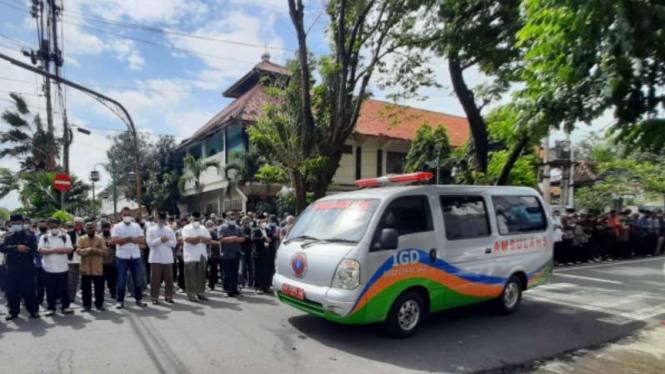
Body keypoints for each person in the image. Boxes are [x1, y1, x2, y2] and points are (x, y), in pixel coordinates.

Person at [1, 214, 40, 320]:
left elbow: (34, 247)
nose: (16, 225)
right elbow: (3, 248)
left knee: (29, 292)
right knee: (11, 292)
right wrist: (16, 247)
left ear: (23, 223)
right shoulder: (7, 236)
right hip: (12, 269)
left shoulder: (30, 235)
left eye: (18, 223)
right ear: (10, 224)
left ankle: (33, 311)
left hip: (27, 268)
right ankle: (13, 312)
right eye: (14, 224)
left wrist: (25, 247)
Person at [112, 207, 147, 309]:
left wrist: (127, 240)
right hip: (122, 256)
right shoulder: (117, 227)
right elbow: (114, 241)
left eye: (128, 215)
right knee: (121, 280)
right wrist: (129, 239)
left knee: (138, 279)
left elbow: (142, 240)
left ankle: (139, 299)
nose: (127, 217)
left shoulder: (136, 226)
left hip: (135, 255)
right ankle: (120, 301)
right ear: (121, 215)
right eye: (125, 215)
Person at [39, 218, 74, 316]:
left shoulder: (65, 236)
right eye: (51, 225)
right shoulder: (44, 237)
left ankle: (66, 307)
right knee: (50, 289)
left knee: (64, 289)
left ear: (59, 225)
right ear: (48, 225)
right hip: (48, 268)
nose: (53, 228)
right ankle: (51, 308)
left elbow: (69, 249)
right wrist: (56, 250)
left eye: (55, 225)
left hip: (62, 267)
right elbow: (41, 250)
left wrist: (50, 250)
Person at [77, 222, 108, 312]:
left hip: (97, 267)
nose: (91, 230)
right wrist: (89, 249)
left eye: (92, 228)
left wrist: (97, 251)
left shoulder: (100, 238)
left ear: (95, 229)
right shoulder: (81, 239)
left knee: (99, 288)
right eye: (89, 228)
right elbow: (78, 251)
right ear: (86, 229)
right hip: (85, 267)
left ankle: (99, 304)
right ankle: (86, 305)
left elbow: (105, 252)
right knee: (86, 288)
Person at [147, 213, 177, 304]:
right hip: (156, 258)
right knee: (155, 280)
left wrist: (166, 240)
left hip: (167, 258)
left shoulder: (169, 230)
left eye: (163, 220)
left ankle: (168, 296)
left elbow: (174, 244)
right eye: (160, 219)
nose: (162, 221)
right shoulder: (151, 230)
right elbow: (150, 244)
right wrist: (160, 239)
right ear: (157, 219)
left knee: (169, 279)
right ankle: (154, 297)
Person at [182, 212, 211, 302]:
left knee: (201, 275)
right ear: (191, 219)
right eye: (195, 219)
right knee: (191, 276)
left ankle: (201, 293)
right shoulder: (186, 228)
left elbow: (209, 240)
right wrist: (200, 238)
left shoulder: (203, 228)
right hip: (190, 255)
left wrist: (198, 239)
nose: (196, 221)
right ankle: (191, 294)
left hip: (201, 254)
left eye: (198, 219)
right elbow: (188, 240)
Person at [219, 211, 245, 297]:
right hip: (226, 253)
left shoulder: (238, 228)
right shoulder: (222, 227)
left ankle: (234, 289)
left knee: (235, 273)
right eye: (231, 218)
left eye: (234, 218)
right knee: (227, 273)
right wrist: (234, 238)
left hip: (236, 252)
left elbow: (242, 238)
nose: (233, 220)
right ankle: (227, 290)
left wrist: (234, 240)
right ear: (227, 218)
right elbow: (222, 239)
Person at [252, 215, 274, 294]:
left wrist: (272, 238)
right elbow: (254, 239)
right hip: (259, 253)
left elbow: (272, 238)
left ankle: (266, 286)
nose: (264, 223)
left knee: (267, 270)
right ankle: (258, 287)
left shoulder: (268, 230)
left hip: (267, 252)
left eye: (265, 221)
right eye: (262, 221)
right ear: (259, 222)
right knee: (259, 271)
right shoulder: (255, 230)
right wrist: (264, 238)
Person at [67, 217, 85, 303]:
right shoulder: (69, 233)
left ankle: (86, 298)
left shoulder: (86, 233)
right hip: (73, 259)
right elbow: (67, 245)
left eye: (80, 224)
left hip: (84, 259)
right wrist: (76, 246)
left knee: (85, 280)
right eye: (77, 224)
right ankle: (71, 297)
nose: (78, 225)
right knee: (72, 280)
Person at [100, 221, 117, 299]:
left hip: (113, 260)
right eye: (105, 228)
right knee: (101, 279)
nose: (106, 229)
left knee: (113, 279)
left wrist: (112, 244)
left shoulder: (113, 236)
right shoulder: (99, 237)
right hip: (102, 261)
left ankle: (113, 293)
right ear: (102, 228)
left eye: (108, 228)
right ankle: (101, 293)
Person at [34, 219, 48, 305]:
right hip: (38, 263)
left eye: (44, 225)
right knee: (39, 283)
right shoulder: (35, 236)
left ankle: (53, 299)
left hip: (50, 263)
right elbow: (34, 249)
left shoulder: (51, 235)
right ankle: (39, 299)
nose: (42, 227)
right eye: (41, 225)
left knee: (51, 283)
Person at [206, 220, 222, 291]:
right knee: (215, 270)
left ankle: (211, 285)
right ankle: (213, 283)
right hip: (216, 252)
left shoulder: (209, 231)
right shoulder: (215, 230)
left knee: (212, 270)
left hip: (212, 253)